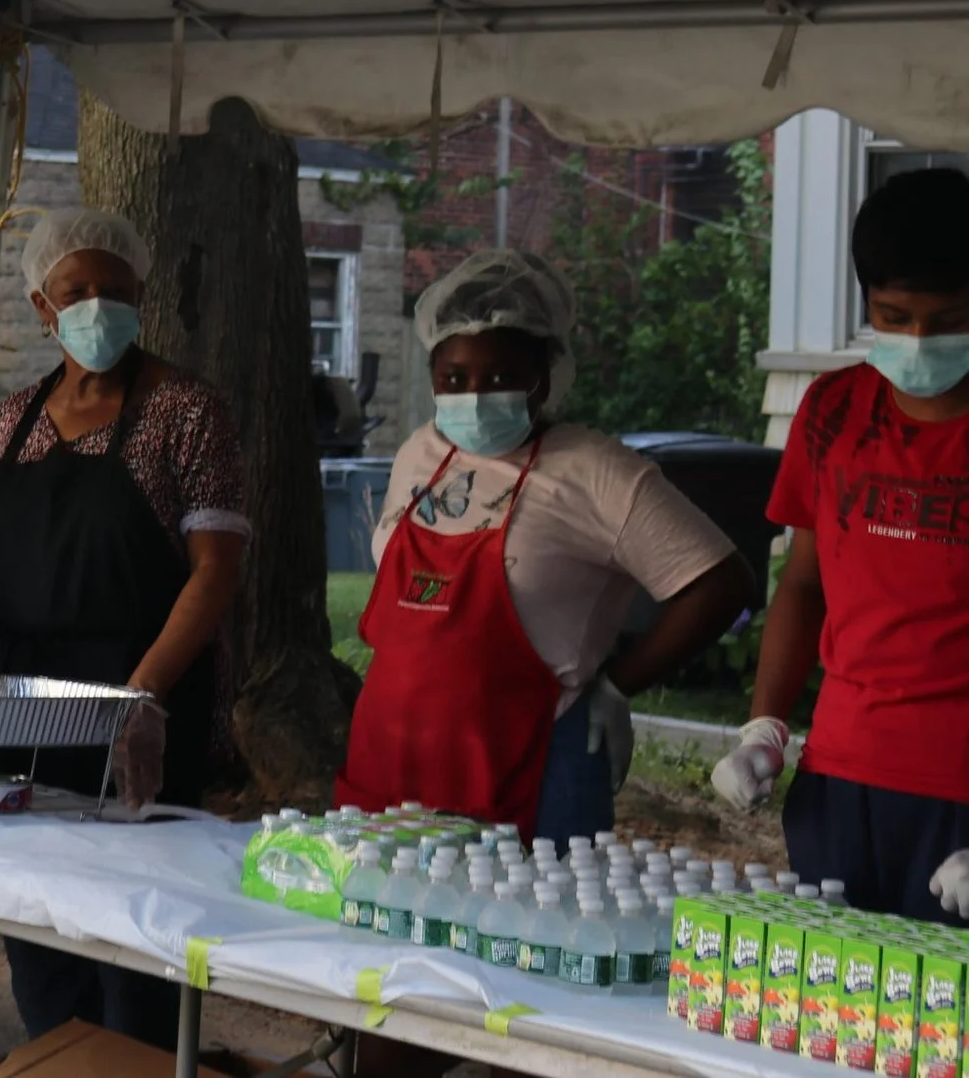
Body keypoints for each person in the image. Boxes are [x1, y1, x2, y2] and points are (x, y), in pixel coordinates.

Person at [0, 207, 244, 1049]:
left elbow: (214, 573)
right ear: (41, 305)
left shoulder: (187, 411)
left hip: (137, 701)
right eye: (77, 290)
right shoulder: (12, 419)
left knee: (132, 947)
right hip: (22, 707)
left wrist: (143, 699)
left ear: (142, 297)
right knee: (40, 933)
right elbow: (3, 561)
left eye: (116, 290)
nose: (99, 305)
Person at [337, 248, 753, 842]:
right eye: (454, 379)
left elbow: (722, 582)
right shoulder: (420, 453)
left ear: (547, 374)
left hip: (527, 768)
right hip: (389, 754)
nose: (475, 396)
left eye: (502, 377)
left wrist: (617, 685)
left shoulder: (595, 470)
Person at [713, 170, 969, 922]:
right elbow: (803, 583)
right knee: (839, 1018)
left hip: (959, 787)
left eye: (949, 319)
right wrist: (764, 726)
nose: (919, 339)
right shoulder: (833, 409)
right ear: (866, 305)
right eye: (896, 315)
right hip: (842, 775)